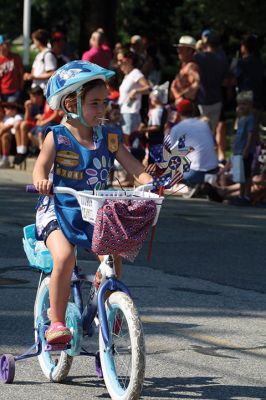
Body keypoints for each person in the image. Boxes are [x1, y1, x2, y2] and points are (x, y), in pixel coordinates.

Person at [32, 60, 152, 344]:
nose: (102, 110)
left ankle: (109, 311)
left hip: (94, 209)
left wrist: (150, 183)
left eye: (105, 103)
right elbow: (40, 167)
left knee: (113, 255)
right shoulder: (57, 136)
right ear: (72, 104)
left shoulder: (109, 138)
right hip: (58, 207)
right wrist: (41, 181)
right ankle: (57, 322)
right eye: (94, 103)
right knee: (64, 256)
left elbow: (135, 168)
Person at [170, 99, 219, 197]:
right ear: (193, 111)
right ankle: (201, 186)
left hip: (195, 172)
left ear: (178, 113)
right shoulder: (204, 124)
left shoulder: (177, 128)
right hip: (213, 169)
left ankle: (192, 184)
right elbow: (214, 144)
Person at [117, 49, 151, 146]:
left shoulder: (135, 73)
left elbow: (149, 88)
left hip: (131, 114)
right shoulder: (127, 76)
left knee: (128, 144)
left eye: (121, 60)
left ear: (129, 60)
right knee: (125, 144)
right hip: (123, 113)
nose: (119, 63)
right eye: (118, 60)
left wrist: (136, 91)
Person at [231, 91, 257, 204]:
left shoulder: (250, 119)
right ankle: (240, 195)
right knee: (239, 175)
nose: (241, 106)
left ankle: (246, 195)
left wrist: (247, 149)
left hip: (245, 151)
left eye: (244, 104)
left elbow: (250, 134)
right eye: (240, 104)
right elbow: (237, 134)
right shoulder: (241, 119)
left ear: (250, 105)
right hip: (238, 150)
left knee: (246, 175)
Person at [14, 86, 45, 165]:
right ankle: (20, 150)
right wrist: (27, 108)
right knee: (17, 125)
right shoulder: (32, 105)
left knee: (23, 124)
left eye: (33, 96)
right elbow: (26, 119)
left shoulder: (45, 103)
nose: (31, 98)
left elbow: (45, 116)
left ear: (39, 96)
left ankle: (23, 152)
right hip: (33, 124)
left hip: (40, 124)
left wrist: (40, 117)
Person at [170, 35, 200, 106]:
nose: (178, 51)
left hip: (186, 106)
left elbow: (197, 83)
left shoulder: (191, 67)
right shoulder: (185, 65)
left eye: (181, 49)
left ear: (189, 51)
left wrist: (182, 98)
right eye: (178, 48)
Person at [0, 35, 24, 103]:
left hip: (15, 92)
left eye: (8, 44)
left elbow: (21, 73)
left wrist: (20, 89)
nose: (8, 45)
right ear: (0, 46)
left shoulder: (16, 57)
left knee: (10, 112)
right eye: (5, 44)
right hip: (2, 92)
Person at [0, 102, 23, 168]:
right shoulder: (5, 119)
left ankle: (5, 159)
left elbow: (4, 129)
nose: (5, 109)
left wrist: (0, 122)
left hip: (13, 143)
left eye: (7, 108)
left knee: (5, 135)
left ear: (14, 110)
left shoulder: (14, 118)